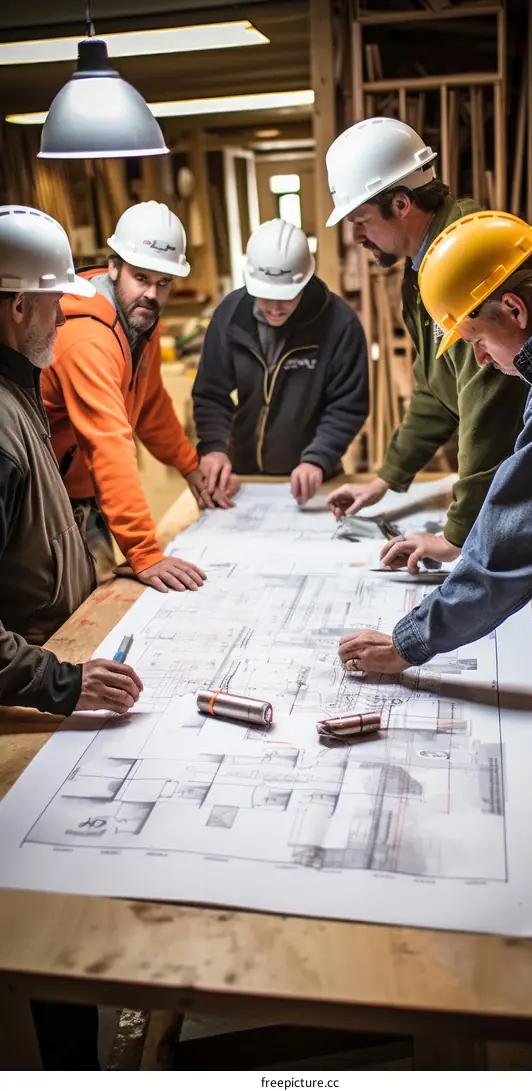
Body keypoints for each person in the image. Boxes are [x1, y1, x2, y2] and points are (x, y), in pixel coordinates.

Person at [338, 211, 532, 781]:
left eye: (477, 338)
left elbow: (519, 542)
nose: (479, 358)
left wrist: (409, 644)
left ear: (514, 309)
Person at [0, 205, 143, 1069]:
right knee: (49, 916)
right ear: (20, 307)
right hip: (26, 697)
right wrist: (57, 681)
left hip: (53, 654)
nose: (65, 313)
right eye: (55, 301)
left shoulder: (15, 390)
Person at [325, 117, 527, 562]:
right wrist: (386, 478)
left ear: (400, 204)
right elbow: (436, 387)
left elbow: (488, 403)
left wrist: (456, 537)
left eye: (360, 220)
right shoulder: (423, 266)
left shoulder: (466, 257)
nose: (356, 236)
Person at [43, 200, 234, 593]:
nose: (152, 293)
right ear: (114, 267)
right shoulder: (87, 340)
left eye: (164, 283)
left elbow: (149, 405)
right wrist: (145, 551)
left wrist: (189, 465)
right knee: (66, 615)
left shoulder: (140, 319)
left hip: (85, 491)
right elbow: (108, 443)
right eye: (141, 278)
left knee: (101, 599)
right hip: (46, 501)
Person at [192, 218, 369, 506]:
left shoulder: (340, 324)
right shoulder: (230, 315)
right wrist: (214, 447)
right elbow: (211, 394)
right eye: (265, 296)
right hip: (242, 477)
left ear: (305, 280)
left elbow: (348, 406)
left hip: (313, 476)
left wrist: (319, 457)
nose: (274, 308)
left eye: (286, 297)